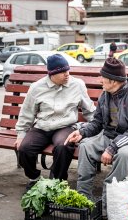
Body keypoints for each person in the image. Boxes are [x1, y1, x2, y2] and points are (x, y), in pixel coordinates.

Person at [65, 58, 128, 212]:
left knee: (124, 155)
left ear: (113, 81)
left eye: (103, 77)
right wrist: (82, 132)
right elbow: (97, 122)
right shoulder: (104, 95)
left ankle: (109, 202)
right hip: (109, 135)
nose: (101, 80)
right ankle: (83, 198)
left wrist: (112, 148)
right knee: (86, 146)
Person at [15, 54, 96, 190]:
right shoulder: (36, 87)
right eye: (62, 72)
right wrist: (21, 134)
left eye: (68, 70)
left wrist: (98, 127)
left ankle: (56, 183)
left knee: (63, 146)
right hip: (42, 126)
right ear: (52, 74)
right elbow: (26, 113)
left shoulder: (77, 85)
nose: (67, 74)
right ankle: (34, 178)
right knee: (24, 148)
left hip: (65, 126)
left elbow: (90, 110)